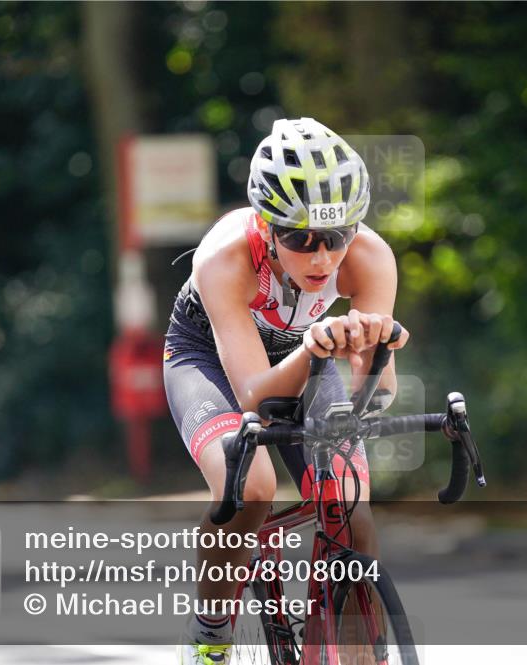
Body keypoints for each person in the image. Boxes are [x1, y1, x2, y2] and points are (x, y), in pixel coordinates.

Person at [163, 117, 409, 663]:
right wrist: (315, 348)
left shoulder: (370, 258)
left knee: (351, 508)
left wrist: (372, 355)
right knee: (251, 488)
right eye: (300, 239)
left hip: (305, 353)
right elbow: (257, 398)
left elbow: (378, 395)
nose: (322, 258)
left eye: (337, 237)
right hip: (208, 358)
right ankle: (209, 636)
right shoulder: (225, 257)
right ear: (267, 226)